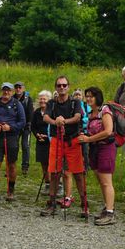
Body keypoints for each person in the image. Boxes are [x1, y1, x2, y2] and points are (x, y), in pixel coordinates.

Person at [41, 76, 88, 217]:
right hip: (57, 140)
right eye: (59, 85)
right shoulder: (51, 103)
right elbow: (45, 117)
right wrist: (56, 122)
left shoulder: (75, 102)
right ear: (56, 87)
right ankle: (52, 203)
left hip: (72, 141)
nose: (62, 87)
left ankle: (84, 205)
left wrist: (63, 121)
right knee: (54, 172)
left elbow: (78, 117)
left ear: (68, 86)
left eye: (64, 85)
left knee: (78, 173)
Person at [78, 87, 116, 225]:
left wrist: (88, 139)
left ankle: (110, 213)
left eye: (91, 96)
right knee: (101, 181)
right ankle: (107, 207)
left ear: (97, 97)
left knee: (106, 181)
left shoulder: (104, 111)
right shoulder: (91, 113)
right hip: (95, 148)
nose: (88, 99)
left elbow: (108, 131)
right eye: (86, 96)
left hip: (106, 147)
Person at [0, 82, 26, 202]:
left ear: (12, 91)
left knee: (11, 164)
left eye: (8, 90)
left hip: (11, 137)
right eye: (4, 90)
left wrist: (10, 127)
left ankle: (11, 191)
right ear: (1, 90)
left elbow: (22, 121)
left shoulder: (17, 104)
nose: (6, 92)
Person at [33, 90, 52, 195]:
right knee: (43, 163)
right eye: (41, 99)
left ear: (48, 100)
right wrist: (37, 135)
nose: (42, 101)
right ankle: (47, 183)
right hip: (40, 141)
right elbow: (33, 127)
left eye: (44, 99)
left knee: (52, 163)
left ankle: (58, 185)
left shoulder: (52, 111)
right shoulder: (36, 112)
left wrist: (47, 136)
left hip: (50, 140)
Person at [14, 81, 34, 175]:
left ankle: (25, 166)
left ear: (23, 88)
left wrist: (29, 124)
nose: (18, 89)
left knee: (25, 146)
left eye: (20, 87)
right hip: (16, 126)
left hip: (26, 126)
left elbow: (30, 112)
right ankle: (12, 165)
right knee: (14, 146)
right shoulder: (12, 98)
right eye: (16, 87)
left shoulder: (28, 99)